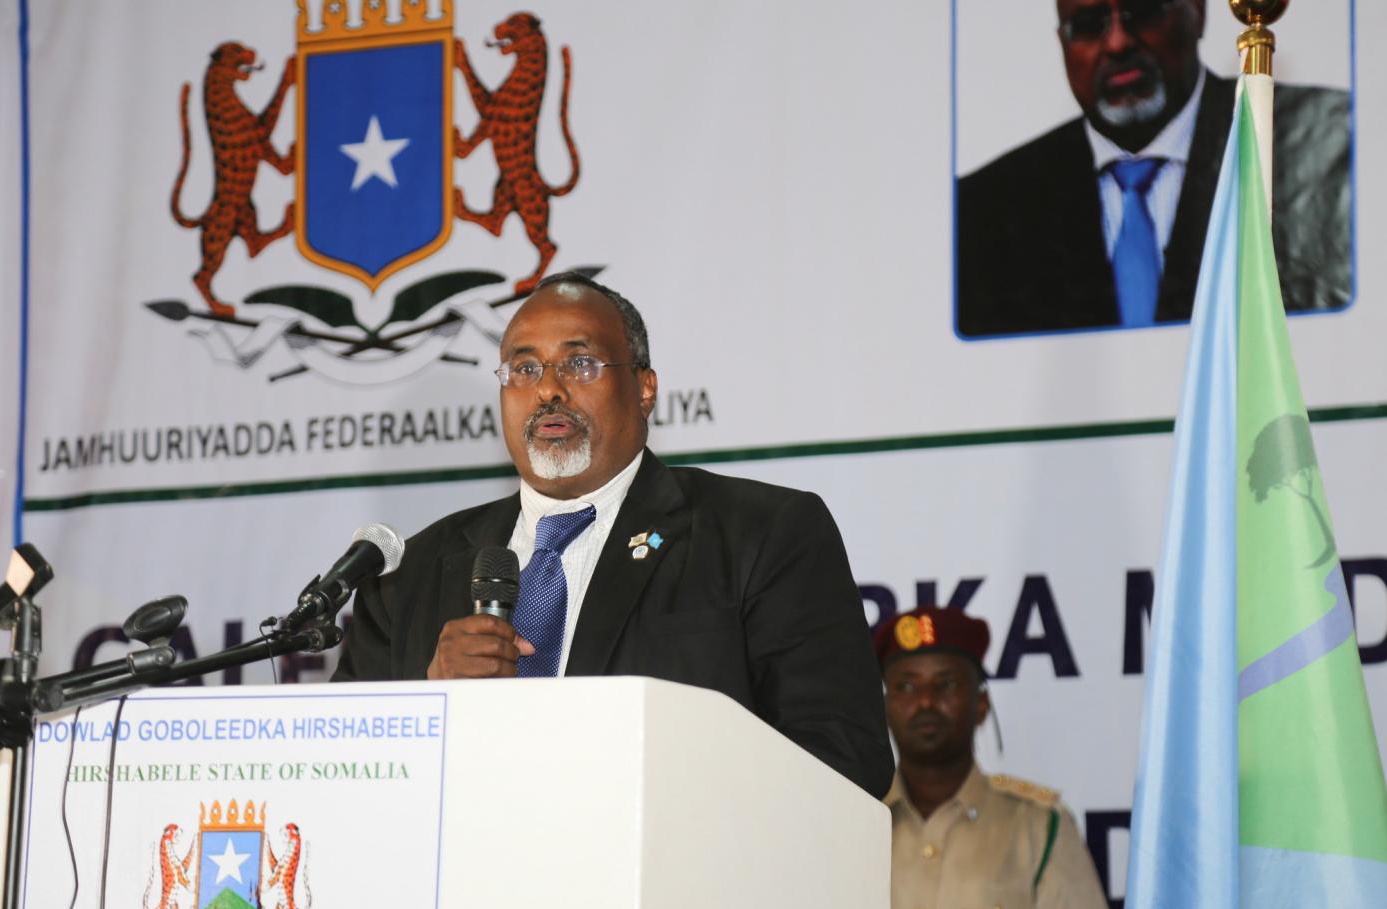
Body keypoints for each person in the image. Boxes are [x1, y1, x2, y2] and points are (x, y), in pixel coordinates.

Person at [332, 271, 894, 798]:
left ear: (645, 389)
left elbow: (843, 757)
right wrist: (430, 705)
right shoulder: (408, 576)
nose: (548, 390)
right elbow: (344, 780)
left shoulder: (762, 533)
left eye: (580, 364)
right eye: (523, 369)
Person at [957, 0, 1351, 337]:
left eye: (1143, 11)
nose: (1117, 43)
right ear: (1062, 42)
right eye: (1089, 25)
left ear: (1197, 12)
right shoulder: (984, 210)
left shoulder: (1328, 141)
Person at [876, 607, 1117, 909]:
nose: (925, 701)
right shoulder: (857, 824)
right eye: (906, 686)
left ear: (981, 704)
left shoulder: (1038, 828)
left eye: (945, 684)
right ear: (885, 707)